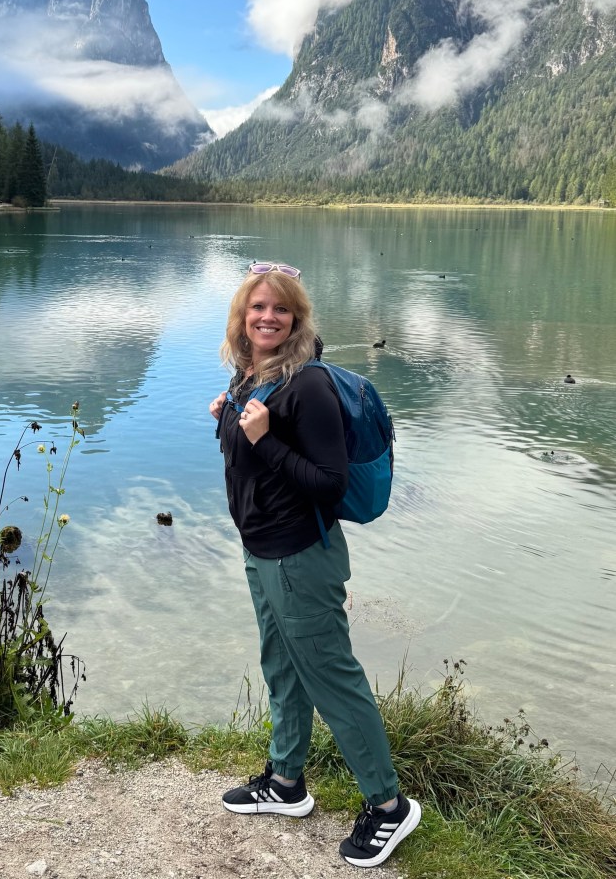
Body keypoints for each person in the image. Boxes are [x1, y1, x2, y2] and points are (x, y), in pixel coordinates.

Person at [209, 261, 421, 869]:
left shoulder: (309, 387)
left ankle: (388, 806)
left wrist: (265, 440)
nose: (268, 317)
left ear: (298, 319)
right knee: (281, 666)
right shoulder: (252, 377)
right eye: (258, 307)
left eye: (281, 309)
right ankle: (285, 782)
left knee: (331, 677)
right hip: (261, 550)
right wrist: (230, 420)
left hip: (301, 556)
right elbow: (254, 462)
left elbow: (329, 484)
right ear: (242, 317)